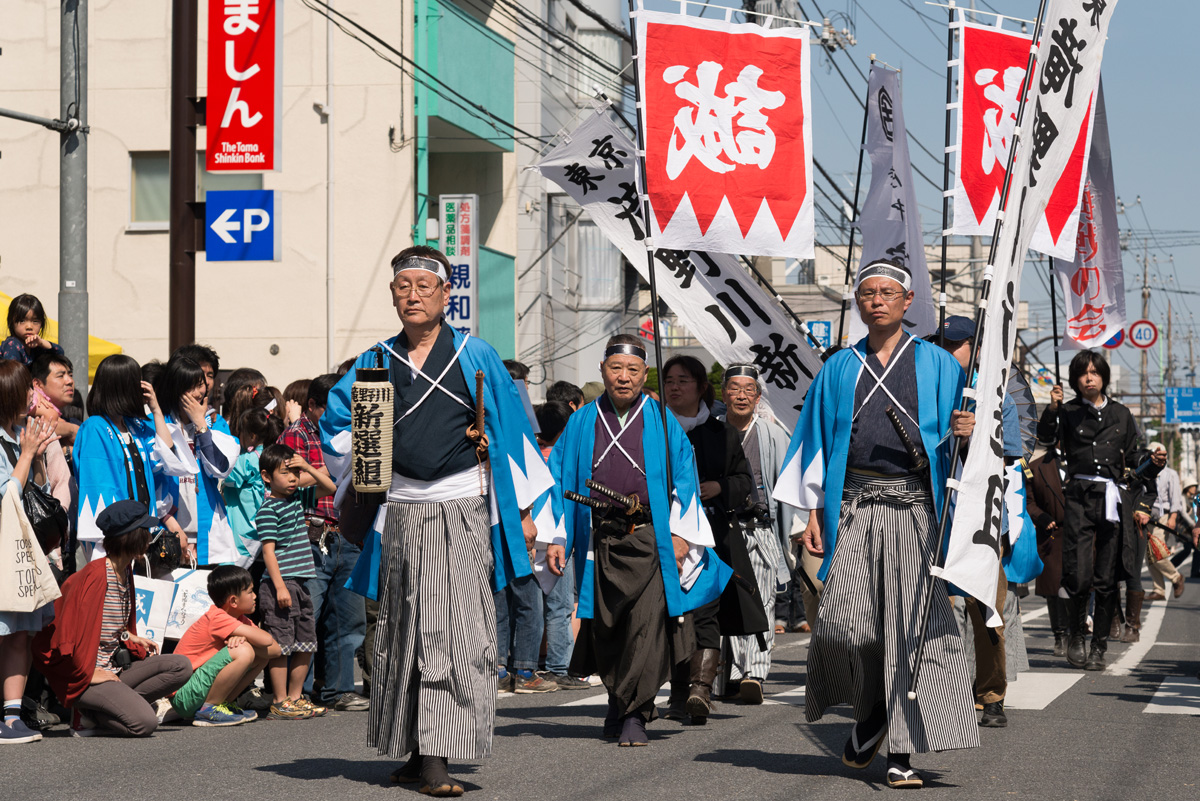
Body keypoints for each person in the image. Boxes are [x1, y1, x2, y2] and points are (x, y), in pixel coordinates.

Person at [320, 246, 559, 795]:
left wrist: (523, 512)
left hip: (462, 509)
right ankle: (411, 748)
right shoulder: (375, 360)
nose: (412, 296)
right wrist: (365, 448)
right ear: (393, 295)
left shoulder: (477, 356)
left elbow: (516, 438)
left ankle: (438, 755)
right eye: (402, 287)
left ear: (445, 295)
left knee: (453, 632)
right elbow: (336, 429)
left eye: (423, 287)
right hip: (399, 513)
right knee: (400, 632)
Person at [775, 259, 980, 789]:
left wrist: (967, 429)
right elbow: (812, 445)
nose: (878, 300)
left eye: (888, 292)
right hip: (854, 509)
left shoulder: (939, 364)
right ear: (858, 303)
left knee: (912, 631)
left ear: (908, 302)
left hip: (917, 511)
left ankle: (902, 752)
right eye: (867, 293)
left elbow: (971, 451)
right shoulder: (839, 367)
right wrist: (809, 516)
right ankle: (869, 712)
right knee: (851, 627)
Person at [544, 334, 732, 746]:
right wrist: (557, 536)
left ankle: (635, 714)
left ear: (643, 374)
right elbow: (556, 480)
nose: (624, 378)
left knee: (645, 629)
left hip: (651, 538)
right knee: (608, 628)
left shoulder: (662, 419)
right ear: (603, 371)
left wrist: (682, 535)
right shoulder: (581, 421)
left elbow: (685, 481)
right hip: (598, 539)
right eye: (616, 369)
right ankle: (617, 702)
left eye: (632, 370)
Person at [1038, 350, 1163, 672]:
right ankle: (1077, 634)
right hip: (1078, 496)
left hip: (1112, 499)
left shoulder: (1121, 414)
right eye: (1082, 373)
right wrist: (1052, 410)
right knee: (1077, 575)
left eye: (1094, 372)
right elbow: (1045, 440)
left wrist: (1154, 461)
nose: (1089, 378)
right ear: (1075, 380)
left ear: (1104, 376)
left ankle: (1099, 646)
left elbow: (1136, 458)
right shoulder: (1066, 411)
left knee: (1107, 578)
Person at [33, 500, 193, 737]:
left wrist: (131, 637)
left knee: (181, 666)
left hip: (112, 669)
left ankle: (108, 707)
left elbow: (107, 624)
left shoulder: (125, 570)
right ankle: (87, 713)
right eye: (145, 532)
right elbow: (71, 636)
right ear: (130, 538)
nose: (149, 538)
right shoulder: (96, 577)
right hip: (85, 676)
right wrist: (89, 674)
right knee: (145, 723)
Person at [661, 354, 757, 723]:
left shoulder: (722, 433)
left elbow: (744, 482)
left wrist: (718, 486)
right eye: (669, 380)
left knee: (705, 611)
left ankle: (701, 689)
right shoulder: (653, 430)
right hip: (662, 536)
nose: (674, 386)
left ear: (702, 387)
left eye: (683, 380)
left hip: (710, 537)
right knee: (671, 614)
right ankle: (677, 691)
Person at [279, 373, 369, 711]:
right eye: (332, 407)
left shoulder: (350, 434)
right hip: (310, 533)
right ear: (313, 406)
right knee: (308, 617)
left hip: (347, 533)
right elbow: (288, 480)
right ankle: (295, 693)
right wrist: (327, 476)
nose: (341, 414)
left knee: (348, 619)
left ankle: (339, 689)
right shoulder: (295, 434)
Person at [718, 364, 794, 704]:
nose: (741, 396)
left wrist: (793, 532)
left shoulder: (774, 435)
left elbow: (786, 488)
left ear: (758, 397)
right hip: (723, 529)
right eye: (735, 389)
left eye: (748, 390)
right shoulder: (712, 433)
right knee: (729, 600)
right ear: (724, 394)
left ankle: (755, 673)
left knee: (762, 600)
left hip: (760, 528)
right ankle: (734, 671)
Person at [73, 355, 190, 560]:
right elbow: (100, 487)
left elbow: (167, 459)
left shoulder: (136, 426)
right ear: (123, 386)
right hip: (113, 539)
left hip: (141, 535)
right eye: (135, 381)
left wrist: (156, 410)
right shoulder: (95, 427)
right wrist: (126, 533)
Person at [0, 360, 60, 745]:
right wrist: (25, 454)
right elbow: (6, 496)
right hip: (5, 548)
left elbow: (36, 492)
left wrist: (36, 456)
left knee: (20, 632)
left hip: (20, 550)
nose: (33, 396)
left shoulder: (16, 435)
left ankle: (11, 715)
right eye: (26, 388)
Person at [256, 443, 336, 721]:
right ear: (267, 477)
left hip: (300, 584)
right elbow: (268, 551)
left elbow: (331, 489)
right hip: (280, 584)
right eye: (285, 473)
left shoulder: (297, 499)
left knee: (305, 642)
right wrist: (278, 586)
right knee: (281, 644)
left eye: (294, 474)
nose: (292, 479)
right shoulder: (269, 509)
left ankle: (295, 697)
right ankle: (279, 700)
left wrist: (307, 467)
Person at [156, 356, 241, 566]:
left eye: (200, 385)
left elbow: (220, 469)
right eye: (190, 386)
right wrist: (168, 520)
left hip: (207, 532)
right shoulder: (157, 423)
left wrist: (201, 425)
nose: (197, 392)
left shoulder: (215, 422)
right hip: (168, 528)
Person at [171, 565, 281, 726]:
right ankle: (209, 709)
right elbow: (265, 640)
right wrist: (245, 640)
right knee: (243, 651)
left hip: (196, 692)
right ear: (233, 601)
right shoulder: (217, 617)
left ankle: (222, 704)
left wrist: (242, 636)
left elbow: (274, 649)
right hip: (184, 695)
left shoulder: (241, 619)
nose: (255, 596)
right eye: (250, 592)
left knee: (259, 655)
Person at [222, 407, 283, 567]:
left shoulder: (248, 460)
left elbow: (224, 475)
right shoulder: (271, 457)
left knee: (230, 575)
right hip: (261, 525)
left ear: (252, 436)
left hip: (245, 529)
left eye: (240, 431)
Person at [1026, 443, 1069, 652]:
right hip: (1052, 534)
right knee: (1054, 587)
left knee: (1081, 585)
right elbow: (1028, 500)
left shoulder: (1086, 463)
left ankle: (1077, 632)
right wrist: (1040, 517)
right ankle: (1060, 634)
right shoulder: (1034, 467)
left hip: (1081, 532)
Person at [1144, 442, 1186, 602]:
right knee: (1149, 555)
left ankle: (1176, 577)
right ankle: (1159, 589)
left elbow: (1176, 498)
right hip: (1147, 516)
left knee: (1157, 551)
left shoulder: (1170, 473)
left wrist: (1173, 517)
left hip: (1164, 516)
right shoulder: (1145, 472)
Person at [31, 351, 79, 451]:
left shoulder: (74, 422)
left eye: (70, 375)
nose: (69, 381)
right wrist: (71, 430)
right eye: (60, 376)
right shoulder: (23, 417)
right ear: (37, 384)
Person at [1, 294, 64, 367]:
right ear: (11, 323)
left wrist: (41, 343)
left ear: (42, 324)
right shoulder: (12, 345)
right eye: (22, 321)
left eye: (35, 321)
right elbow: (13, 376)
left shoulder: (37, 346)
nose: (29, 327)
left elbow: (60, 353)